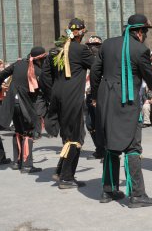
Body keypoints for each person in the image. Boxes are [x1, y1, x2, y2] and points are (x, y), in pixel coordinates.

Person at [90, 14, 152, 208]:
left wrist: (95, 96)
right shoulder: (140, 50)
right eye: (145, 32)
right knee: (132, 146)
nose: (145, 36)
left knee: (110, 144)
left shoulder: (107, 44)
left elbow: (95, 71)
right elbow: (151, 79)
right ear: (138, 32)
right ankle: (137, 194)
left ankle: (108, 190)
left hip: (105, 99)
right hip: (126, 102)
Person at [40, 18, 94, 189]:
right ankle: (66, 178)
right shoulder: (81, 50)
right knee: (75, 137)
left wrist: (54, 93)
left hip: (58, 98)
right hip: (72, 98)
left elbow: (45, 77)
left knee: (68, 136)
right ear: (81, 33)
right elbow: (97, 67)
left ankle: (60, 171)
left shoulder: (55, 51)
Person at [0, 46, 47, 174]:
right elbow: (45, 89)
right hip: (25, 104)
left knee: (18, 131)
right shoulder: (39, 70)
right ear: (40, 59)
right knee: (29, 132)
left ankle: (17, 162)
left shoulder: (18, 64)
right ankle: (27, 164)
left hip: (12, 102)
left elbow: (1, 74)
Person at [85, 35, 105, 160]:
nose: (93, 48)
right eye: (90, 46)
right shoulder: (87, 60)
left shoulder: (104, 60)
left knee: (102, 124)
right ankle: (99, 149)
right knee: (90, 124)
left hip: (101, 95)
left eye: (96, 46)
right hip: (89, 94)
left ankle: (107, 151)